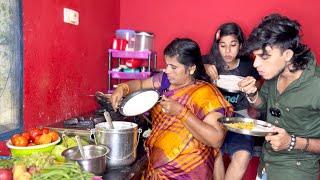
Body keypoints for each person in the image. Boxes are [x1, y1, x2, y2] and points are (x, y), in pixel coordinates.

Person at [104, 38, 233, 179]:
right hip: (158, 162)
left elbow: (216, 139)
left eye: (173, 67)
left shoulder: (205, 93)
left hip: (189, 168)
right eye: (167, 65)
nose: (167, 71)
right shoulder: (165, 80)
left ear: (191, 69)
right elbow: (140, 84)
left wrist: (181, 112)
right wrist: (123, 88)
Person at [238, 14, 320, 180]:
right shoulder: (274, 73)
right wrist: (253, 94)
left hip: (295, 171)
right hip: (265, 166)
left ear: (288, 55)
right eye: (255, 56)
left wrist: (292, 142)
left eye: (264, 56)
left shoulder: (316, 85)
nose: (255, 64)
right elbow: (264, 105)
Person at [203, 22, 261, 180]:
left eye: (233, 45)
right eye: (223, 45)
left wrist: (253, 84)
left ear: (240, 44)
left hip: (240, 119)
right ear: (217, 45)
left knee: (242, 156)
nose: (227, 51)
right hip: (215, 121)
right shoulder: (208, 61)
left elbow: (259, 91)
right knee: (214, 155)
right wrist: (204, 67)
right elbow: (189, 66)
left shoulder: (251, 66)